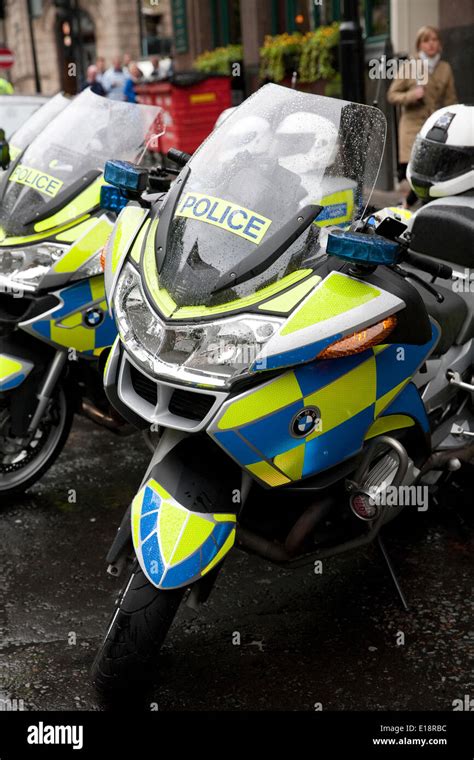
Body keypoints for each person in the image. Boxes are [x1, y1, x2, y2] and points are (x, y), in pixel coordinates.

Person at [388, 25, 457, 207]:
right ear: (419, 45)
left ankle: (412, 205)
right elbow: (392, 95)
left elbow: (451, 100)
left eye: (434, 40)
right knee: (415, 168)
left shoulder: (445, 68)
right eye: (426, 40)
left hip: (433, 125)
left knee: (431, 168)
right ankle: (411, 204)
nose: (431, 44)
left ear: (439, 44)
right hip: (411, 126)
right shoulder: (411, 66)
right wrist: (412, 95)